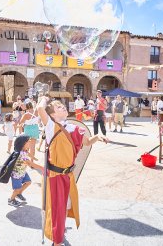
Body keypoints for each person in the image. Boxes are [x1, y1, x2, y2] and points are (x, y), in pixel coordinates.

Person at [37, 96, 108, 245]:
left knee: (66, 206)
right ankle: (57, 241)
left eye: (62, 106)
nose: (63, 107)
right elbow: (39, 109)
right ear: (52, 115)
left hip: (68, 175)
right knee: (57, 209)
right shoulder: (51, 126)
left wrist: (98, 137)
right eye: (58, 107)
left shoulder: (74, 128)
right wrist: (43, 99)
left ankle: (59, 230)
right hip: (55, 176)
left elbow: (87, 142)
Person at [8, 135, 43, 207]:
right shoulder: (21, 154)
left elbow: (28, 153)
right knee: (17, 189)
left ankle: (18, 193)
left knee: (28, 182)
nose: (30, 142)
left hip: (22, 172)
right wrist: (42, 168)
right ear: (22, 144)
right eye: (28, 141)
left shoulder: (24, 150)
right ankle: (11, 200)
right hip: (17, 174)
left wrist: (34, 157)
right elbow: (30, 163)